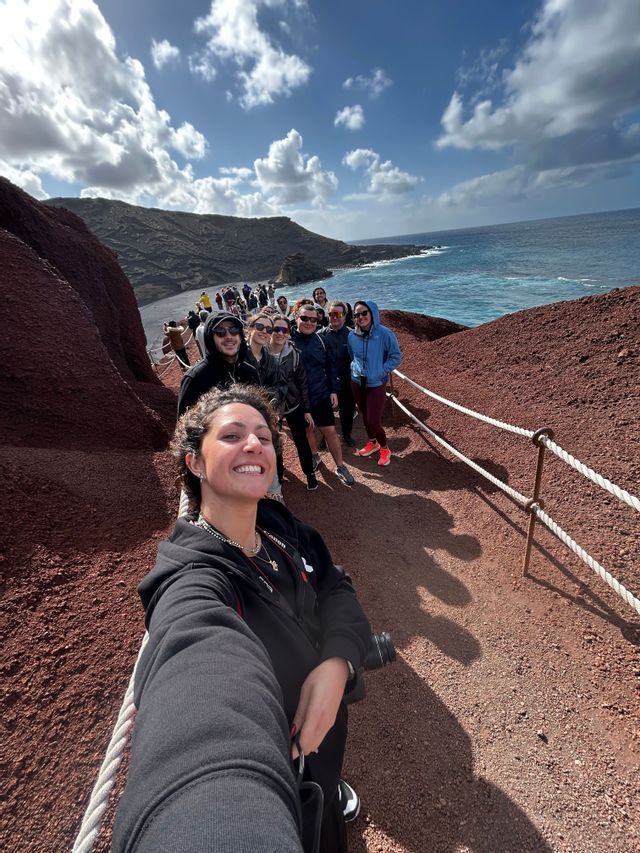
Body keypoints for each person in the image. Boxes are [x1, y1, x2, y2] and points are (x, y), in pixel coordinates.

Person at [115, 385, 371, 851]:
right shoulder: (191, 580)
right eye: (232, 435)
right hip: (275, 763)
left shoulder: (279, 526)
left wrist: (337, 662)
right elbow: (198, 682)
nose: (254, 444)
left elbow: (336, 586)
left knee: (326, 814)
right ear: (194, 462)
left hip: (323, 741)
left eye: (264, 437)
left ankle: (330, 793)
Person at [177, 310, 286, 418]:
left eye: (234, 330)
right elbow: (185, 429)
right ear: (210, 337)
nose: (229, 336)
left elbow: (258, 411)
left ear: (240, 336)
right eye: (220, 331)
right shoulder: (195, 378)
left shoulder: (250, 372)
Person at [290, 306, 355, 486]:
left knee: (330, 431)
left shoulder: (321, 339)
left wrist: (333, 390)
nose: (310, 323)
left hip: (320, 394)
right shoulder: (287, 341)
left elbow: (330, 366)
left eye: (314, 320)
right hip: (298, 398)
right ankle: (314, 456)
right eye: (305, 318)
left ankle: (340, 466)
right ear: (296, 318)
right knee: (308, 429)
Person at [348, 300, 402, 467]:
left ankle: (384, 448)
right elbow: (352, 355)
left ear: (372, 313)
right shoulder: (351, 336)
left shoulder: (385, 334)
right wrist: (355, 370)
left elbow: (395, 357)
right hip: (357, 382)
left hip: (376, 383)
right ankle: (372, 442)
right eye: (357, 314)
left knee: (373, 421)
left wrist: (380, 370)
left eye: (364, 313)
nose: (361, 317)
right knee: (364, 415)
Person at [269, 315, 318, 491]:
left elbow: (303, 382)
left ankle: (310, 474)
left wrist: (307, 409)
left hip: (294, 404)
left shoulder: (295, 354)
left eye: (285, 330)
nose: (280, 333)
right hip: (271, 408)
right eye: (276, 329)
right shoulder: (261, 354)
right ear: (270, 330)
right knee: (274, 443)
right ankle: (279, 475)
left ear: (289, 333)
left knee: (301, 441)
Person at [245, 313, 288, 501]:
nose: (265, 332)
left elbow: (279, 386)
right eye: (260, 327)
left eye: (268, 329)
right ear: (250, 328)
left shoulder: (271, 360)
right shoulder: (238, 357)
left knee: (270, 451)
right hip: (243, 419)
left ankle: (275, 493)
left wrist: (271, 409)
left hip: (266, 416)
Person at [320, 301, 356, 447]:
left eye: (338, 314)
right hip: (326, 381)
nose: (334, 317)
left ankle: (346, 434)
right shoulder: (320, 336)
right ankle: (325, 437)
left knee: (347, 410)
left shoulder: (352, 335)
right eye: (331, 314)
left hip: (346, 380)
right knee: (325, 411)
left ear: (345, 315)